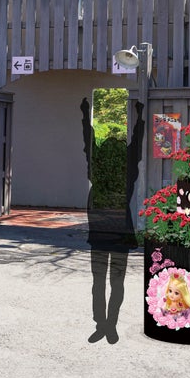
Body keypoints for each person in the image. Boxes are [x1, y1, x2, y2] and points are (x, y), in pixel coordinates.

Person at [81, 97, 144, 344]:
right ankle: (110, 325)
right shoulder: (128, 171)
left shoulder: (96, 170)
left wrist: (85, 114)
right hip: (120, 234)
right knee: (117, 282)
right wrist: (140, 118)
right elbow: (136, 145)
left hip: (99, 232)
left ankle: (101, 324)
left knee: (98, 282)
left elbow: (88, 142)